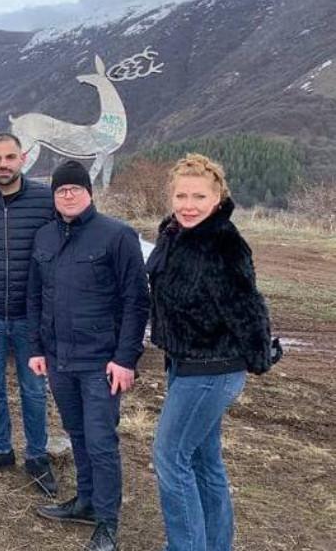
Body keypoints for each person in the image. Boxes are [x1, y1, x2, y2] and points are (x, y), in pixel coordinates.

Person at [148, 154, 279, 551]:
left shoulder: (223, 243)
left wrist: (259, 355)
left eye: (199, 197)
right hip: (184, 363)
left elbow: (248, 307)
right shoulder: (173, 233)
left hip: (211, 369)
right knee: (203, 462)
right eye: (181, 196)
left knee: (170, 458)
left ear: (218, 197)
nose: (189, 205)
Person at [26, 160, 149, 551]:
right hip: (59, 359)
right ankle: (86, 501)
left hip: (100, 362)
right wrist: (36, 348)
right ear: (54, 195)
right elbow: (35, 297)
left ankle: (107, 522)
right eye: (61, 190)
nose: (67, 195)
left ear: (89, 193)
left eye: (75, 188)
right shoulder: (44, 237)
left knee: (100, 442)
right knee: (77, 434)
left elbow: (136, 302)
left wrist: (126, 359)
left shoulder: (117, 235)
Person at [0, 132, 57, 495]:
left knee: (33, 390)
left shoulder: (46, 200)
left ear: (23, 159)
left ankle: (37, 455)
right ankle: (1, 448)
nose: (4, 164)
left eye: (10, 157)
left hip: (30, 316)